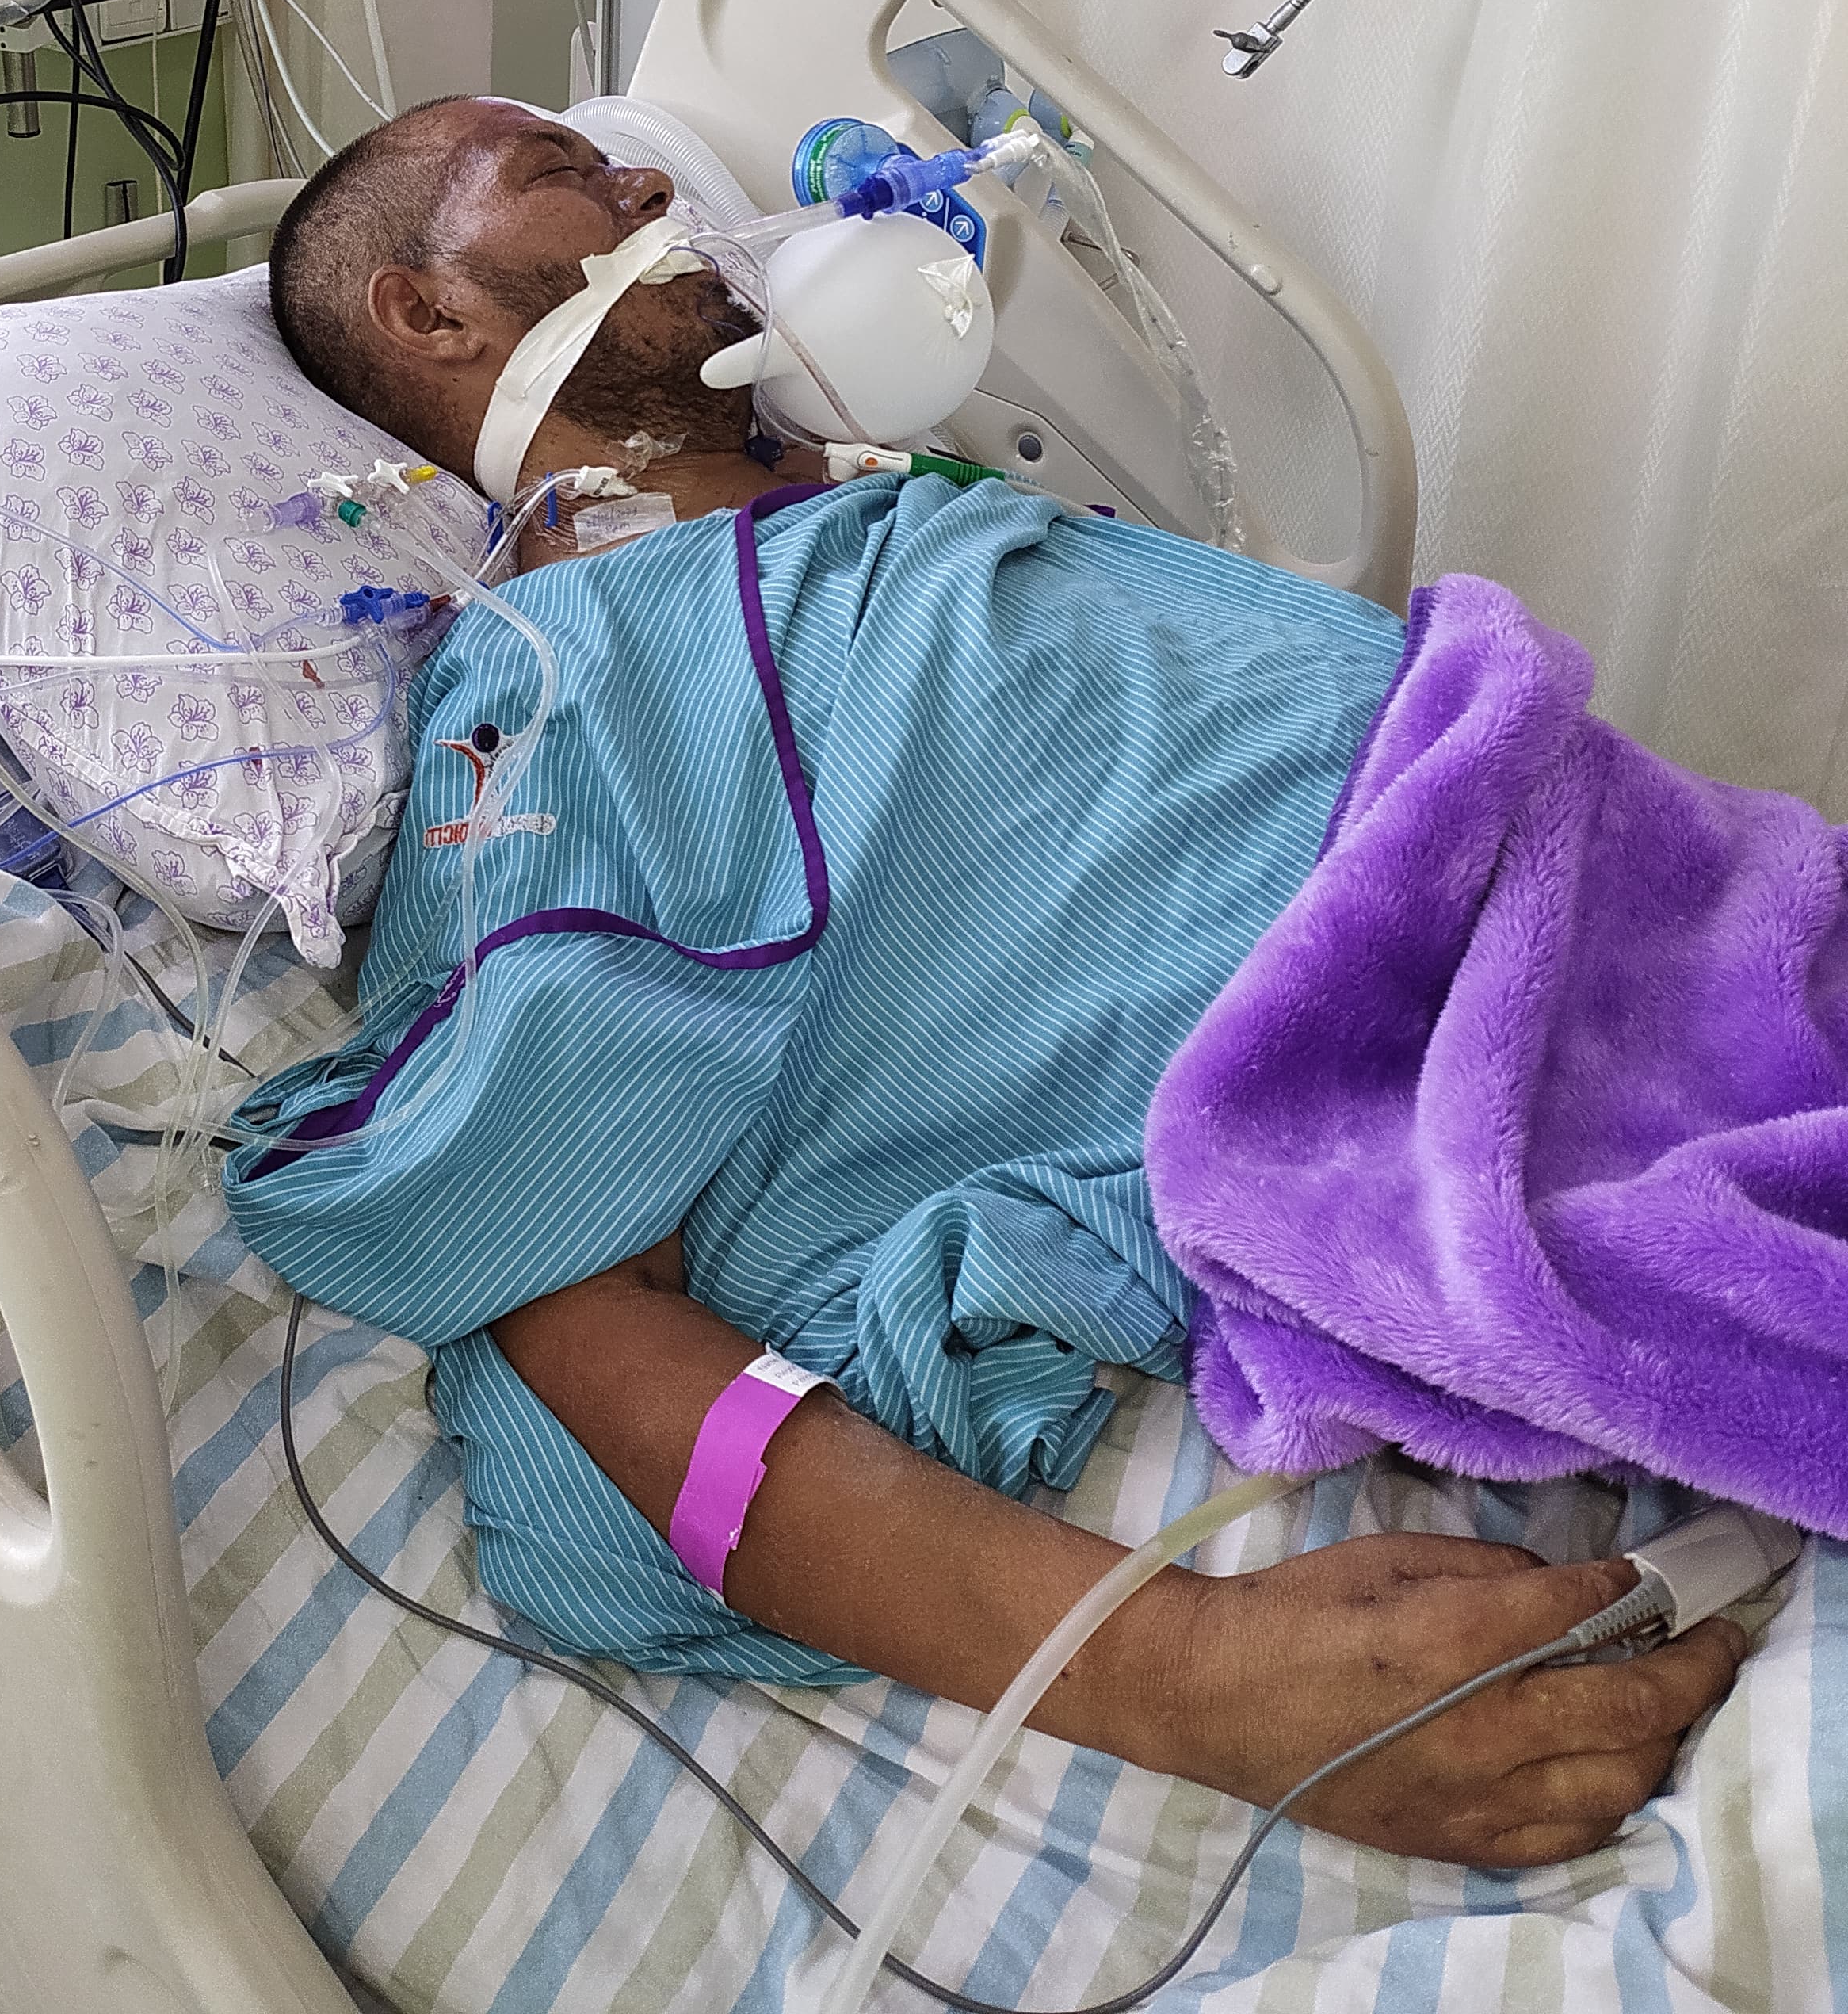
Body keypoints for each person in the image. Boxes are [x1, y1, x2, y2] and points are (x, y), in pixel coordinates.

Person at [245, 94, 1745, 1875]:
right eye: (566, 173)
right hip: (1494, 1085)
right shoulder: (553, 678)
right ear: (429, 313)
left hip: (1655, 910)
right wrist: (1185, 1672)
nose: (651, 180)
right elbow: (558, 1288)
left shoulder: (904, 520)